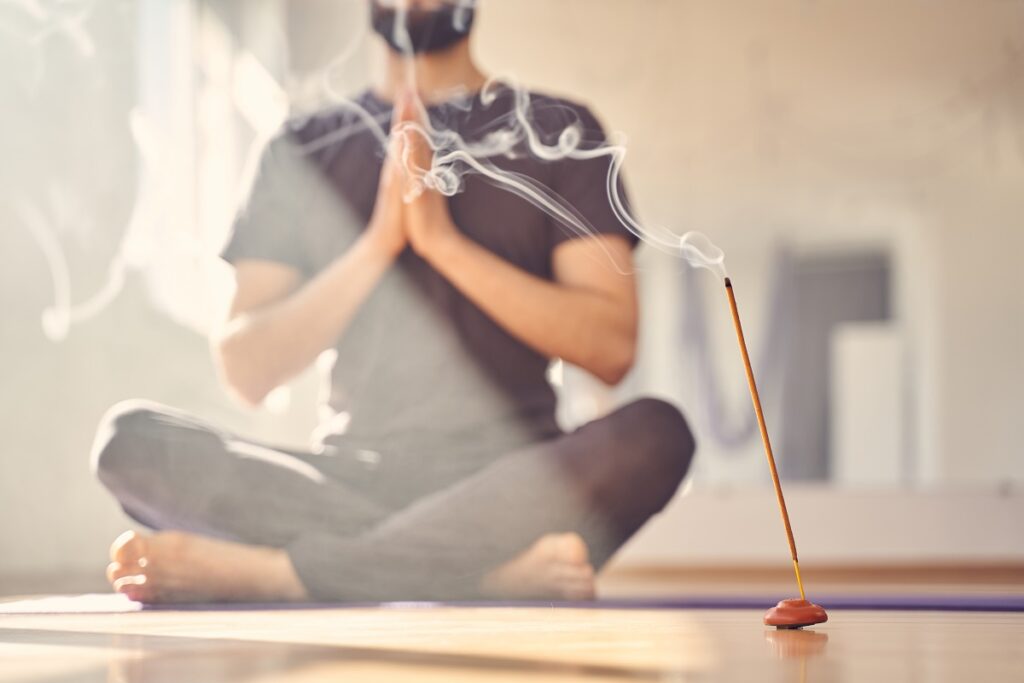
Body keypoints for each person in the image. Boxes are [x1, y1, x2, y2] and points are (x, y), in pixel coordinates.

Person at [92, 0, 695, 603]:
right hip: (350, 477)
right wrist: (378, 245)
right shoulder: (302, 146)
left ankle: (286, 577)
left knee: (657, 433)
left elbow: (612, 347)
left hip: (513, 485)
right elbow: (246, 369)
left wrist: (443, 244)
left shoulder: (563, 130)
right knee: (131, 442)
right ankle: (484, 577)